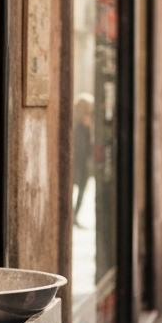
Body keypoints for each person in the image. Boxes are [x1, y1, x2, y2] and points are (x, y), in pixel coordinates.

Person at [73, 93, 94, 225]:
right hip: (77, 161)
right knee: (77, 189)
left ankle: (74, 216)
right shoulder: (78, 123)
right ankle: (72, 215)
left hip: (83, 161)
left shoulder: (87, 122)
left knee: (81, 190)